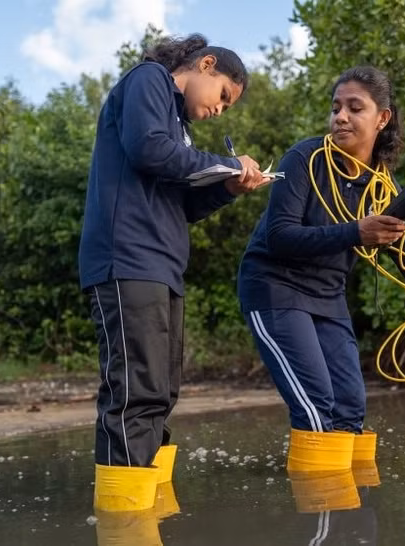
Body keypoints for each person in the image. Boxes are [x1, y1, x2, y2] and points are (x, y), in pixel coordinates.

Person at [236, 65, 405, 469]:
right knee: (317, 409)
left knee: (350, 407)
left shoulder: (384, 187)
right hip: (275, 290)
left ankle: (353, 527)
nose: (340, 117)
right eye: (336, 107)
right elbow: (279, 236)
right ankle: (320, 519)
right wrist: (355, 232)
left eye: (354, 108)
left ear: (382, 118)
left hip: (327, 297)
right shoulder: (305, 158)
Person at [78, 33, 266, 512]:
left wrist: (229, 188)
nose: (221, 110)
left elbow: (183, 203)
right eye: (223, 95)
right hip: (127, 259)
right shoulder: (149, 80)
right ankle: (124, 521)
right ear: (205, 65)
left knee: (162, 392)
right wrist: (226, 163)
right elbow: (147, 149)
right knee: (135, 390)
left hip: (163, 268)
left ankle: (149, 509)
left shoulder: (178, 126)